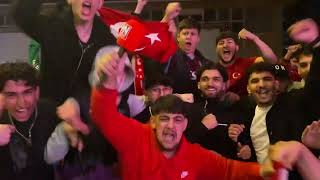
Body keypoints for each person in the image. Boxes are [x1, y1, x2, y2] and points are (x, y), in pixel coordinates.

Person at [88, 50, 273, 179]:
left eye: (177, 120)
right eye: (164, 119)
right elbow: (103, 115)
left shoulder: (196, 155)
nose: (170, 126)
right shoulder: (135, 136)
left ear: (185, 124)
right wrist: (107, 81)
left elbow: (230, 170)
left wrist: (268, 170)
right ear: (153, 121)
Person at [12, 0, 147, 104]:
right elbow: (21, 15)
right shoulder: (51, 26)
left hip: (86, 118)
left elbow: (118, 86)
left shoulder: (108, 39)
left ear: (100, 3)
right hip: (49, 114)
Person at [0, 62, 59, 180]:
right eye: (12, 95)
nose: (21, 103)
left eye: (27, 92)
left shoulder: (51, 110)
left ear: (37, 92)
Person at [185, 61, 251, 160]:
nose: (210, 84)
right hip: (198, 170)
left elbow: (246, 144)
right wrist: (203, 127)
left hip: (229, 170)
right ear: (198, 84)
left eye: (216, 79)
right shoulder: (189, 110)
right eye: (205, 79)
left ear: (225, 84)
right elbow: (181, 144)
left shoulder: (238, 108)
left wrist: (244, 149)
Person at [216, 29, 278, 96]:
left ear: (237, 48)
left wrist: (255, 39)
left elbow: (272, 60)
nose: (225, 45)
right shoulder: (213, 70)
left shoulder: (247, 63)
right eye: (221, 43)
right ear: (216, 49)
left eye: (229, 42)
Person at [165, 17, 209, 95]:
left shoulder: (206, 63)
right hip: (176, 104)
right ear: (178, 37)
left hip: (199, 104)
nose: (188, 37)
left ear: (198, 38)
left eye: (192, 34)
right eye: (185, 33)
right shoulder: (168, 59)